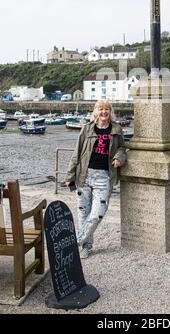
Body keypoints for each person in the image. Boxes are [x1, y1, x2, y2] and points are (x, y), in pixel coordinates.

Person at [65, 100, 127, 259]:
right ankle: (86, 246)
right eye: (101, 109)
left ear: (110, 112)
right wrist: (69, 175)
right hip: (84, 175)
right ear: (95, 112)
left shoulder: (116, 129)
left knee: (97, 214)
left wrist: (119, 158)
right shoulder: (86, 129)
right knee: (83, 214)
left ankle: (77, 241)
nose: (104, 112)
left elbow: (122, 148)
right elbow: (76, 153)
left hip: (104, 177)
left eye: (107, 109)